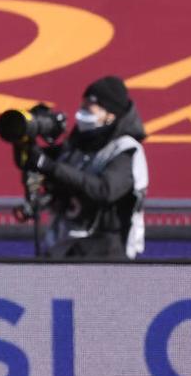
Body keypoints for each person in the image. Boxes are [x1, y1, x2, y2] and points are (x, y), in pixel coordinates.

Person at [21, 75, 148, 259]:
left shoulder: (125, 150)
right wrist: (26, 143)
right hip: (66, 245)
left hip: (106, 250)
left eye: (90, 108)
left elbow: (105, 190)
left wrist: (51, 167)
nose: (83, 113)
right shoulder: (77, 144)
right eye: (82, 106)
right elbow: (36, 167)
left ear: (110, 115)